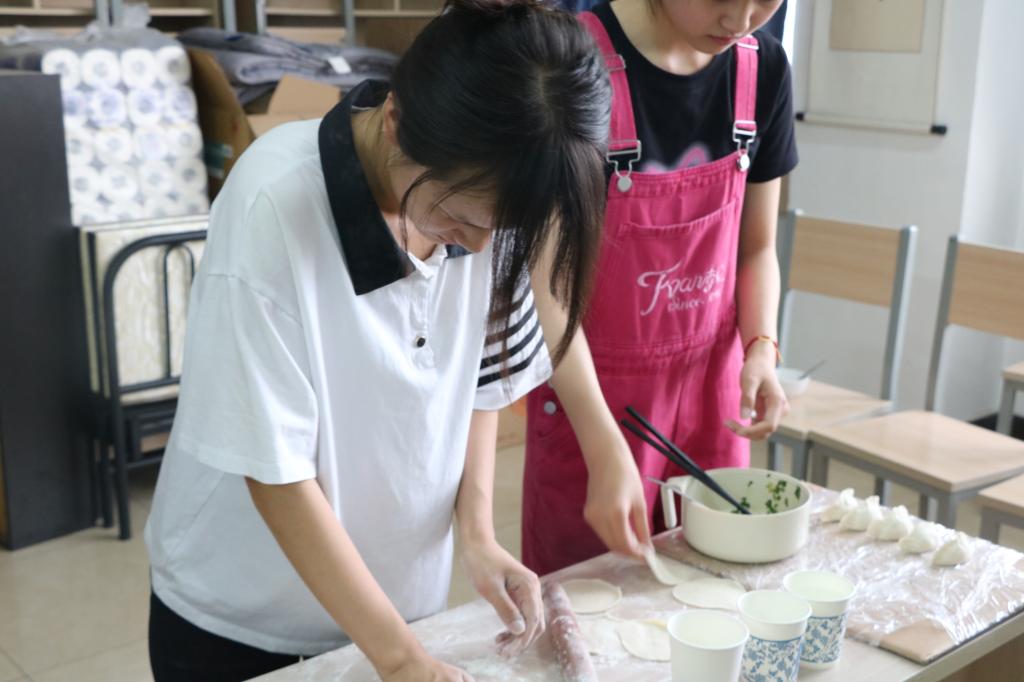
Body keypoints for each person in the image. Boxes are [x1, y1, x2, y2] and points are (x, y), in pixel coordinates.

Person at [143, 1, 613, 679]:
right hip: (246, 620)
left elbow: (482, 384)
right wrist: (399, 659)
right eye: (459, 217)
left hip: (399, 610)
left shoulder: (504, 192)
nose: (482, 247)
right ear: (396, 122)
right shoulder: (274, 205)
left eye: (501, 228)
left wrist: (477, 532)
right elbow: (275, 473)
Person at [523, 0, 797, 576]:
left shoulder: (763, 69)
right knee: (591, 599)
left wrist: (761, 347)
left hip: (712, 399)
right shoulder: (570, 67)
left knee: (719, 585)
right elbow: (550, 289)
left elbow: (756, 248)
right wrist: (601, 443)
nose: (741, 20)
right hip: (592, 402)